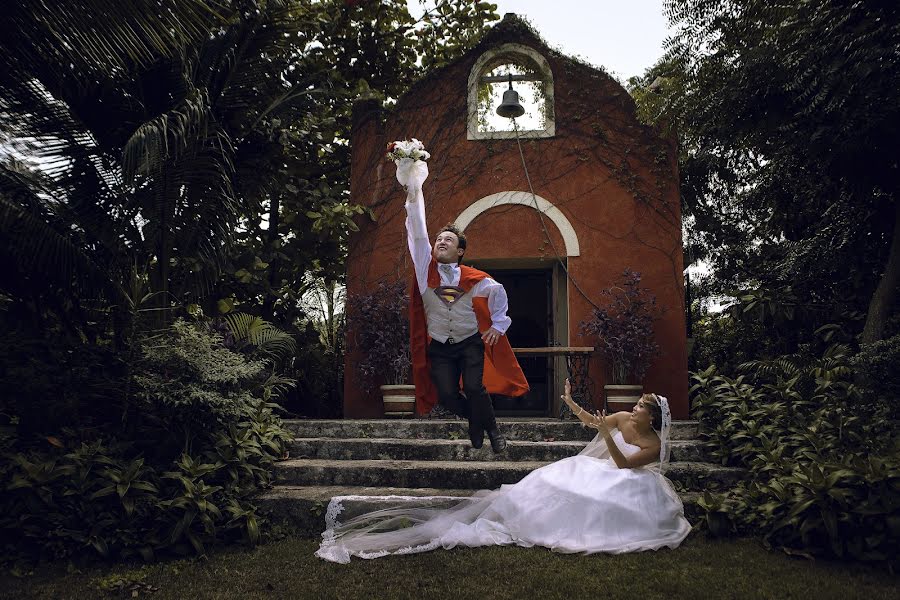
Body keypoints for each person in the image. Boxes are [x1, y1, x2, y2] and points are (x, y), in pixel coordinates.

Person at [315, 381, 691, 563]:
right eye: (639, 402)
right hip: (604, 465)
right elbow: (594, 423)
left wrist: (607, 434)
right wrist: (571, 403)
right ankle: (527, 515)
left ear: (651, 418)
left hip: (626, 478)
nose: (636, 406)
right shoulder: (622, 416)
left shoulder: (654, 445)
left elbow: (624, 464)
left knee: (591, 495)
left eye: (643, 406)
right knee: (551, 477)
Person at [399, 159, 528, 452]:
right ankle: (478, 420)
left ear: (460, 251)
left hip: (470, 342)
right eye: (438, 239)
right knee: (445, 394)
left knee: (473, 387)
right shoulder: (424, 272)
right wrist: (413, 191)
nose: (440, 241)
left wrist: (498, 325)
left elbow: (499, 295)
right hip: (440, 347)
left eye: (449, 239)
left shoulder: (477, 279)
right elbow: (418, 233)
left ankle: (493, 431)